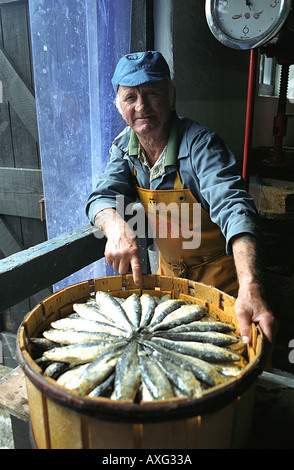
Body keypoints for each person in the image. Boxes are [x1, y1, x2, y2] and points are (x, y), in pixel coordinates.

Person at [86, 51, 276, 345]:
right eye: (130, 98)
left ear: (171, 97)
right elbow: (101, 196)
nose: (141, 106)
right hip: (171, 283)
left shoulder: (202, 145)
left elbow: (235, 207)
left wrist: (249, 286)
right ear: (119, 106)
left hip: (224, 283)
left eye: (152, 93)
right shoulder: (124, 147)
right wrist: (115, 227)